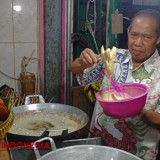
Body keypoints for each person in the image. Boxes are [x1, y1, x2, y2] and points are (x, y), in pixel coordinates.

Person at [70, 9, 160, 160]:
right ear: (128, 31)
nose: (138, 42)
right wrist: (83, 60)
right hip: (99, 147)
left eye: (146, 37)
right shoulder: (114, 56)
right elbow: (74, 68)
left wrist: (137, 109)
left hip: (137, 153)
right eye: (134, 35)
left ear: (158, 39)